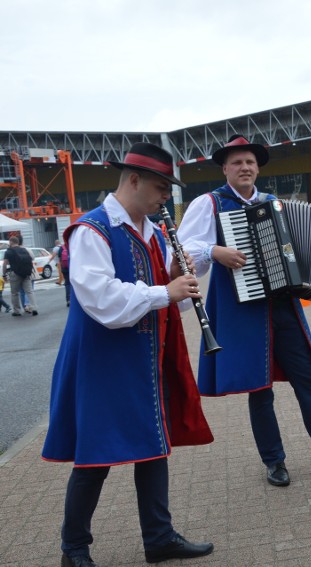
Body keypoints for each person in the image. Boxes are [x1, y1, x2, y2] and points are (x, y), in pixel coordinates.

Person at [40, 142, 215, 567]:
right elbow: (100, 298)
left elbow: (164, 293)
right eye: (159, 188)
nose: (163, 198)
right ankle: (74, 549)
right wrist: (164, 291)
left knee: (154, 443)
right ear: (133, 180)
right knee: (95, 456)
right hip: (101, 362)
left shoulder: (151, 232)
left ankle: (159, 538)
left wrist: (174, 278)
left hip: (145, 359)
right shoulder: (91, 230)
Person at [177, 134, 311, 488]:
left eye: (250, 162)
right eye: (237, 162)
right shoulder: (209, 203)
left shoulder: (274, 203)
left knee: (306, 378)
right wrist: (214, 251)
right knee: (259, 387)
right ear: (225, 168)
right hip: (243, 308)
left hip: (284, 305)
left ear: (257, 168)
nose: (245, 167)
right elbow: (184, 246)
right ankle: (274, 461)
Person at [2, 236, 38, 316]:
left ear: (11, 242)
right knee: (29, 291)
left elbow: (5, 264)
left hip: (15, 273)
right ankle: (34, 308)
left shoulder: (9, 251)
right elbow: (31, 259)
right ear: (18, 242)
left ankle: (17, 311)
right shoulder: (24, 250)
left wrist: (4, 274)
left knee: (15, 293)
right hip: (26, 273)